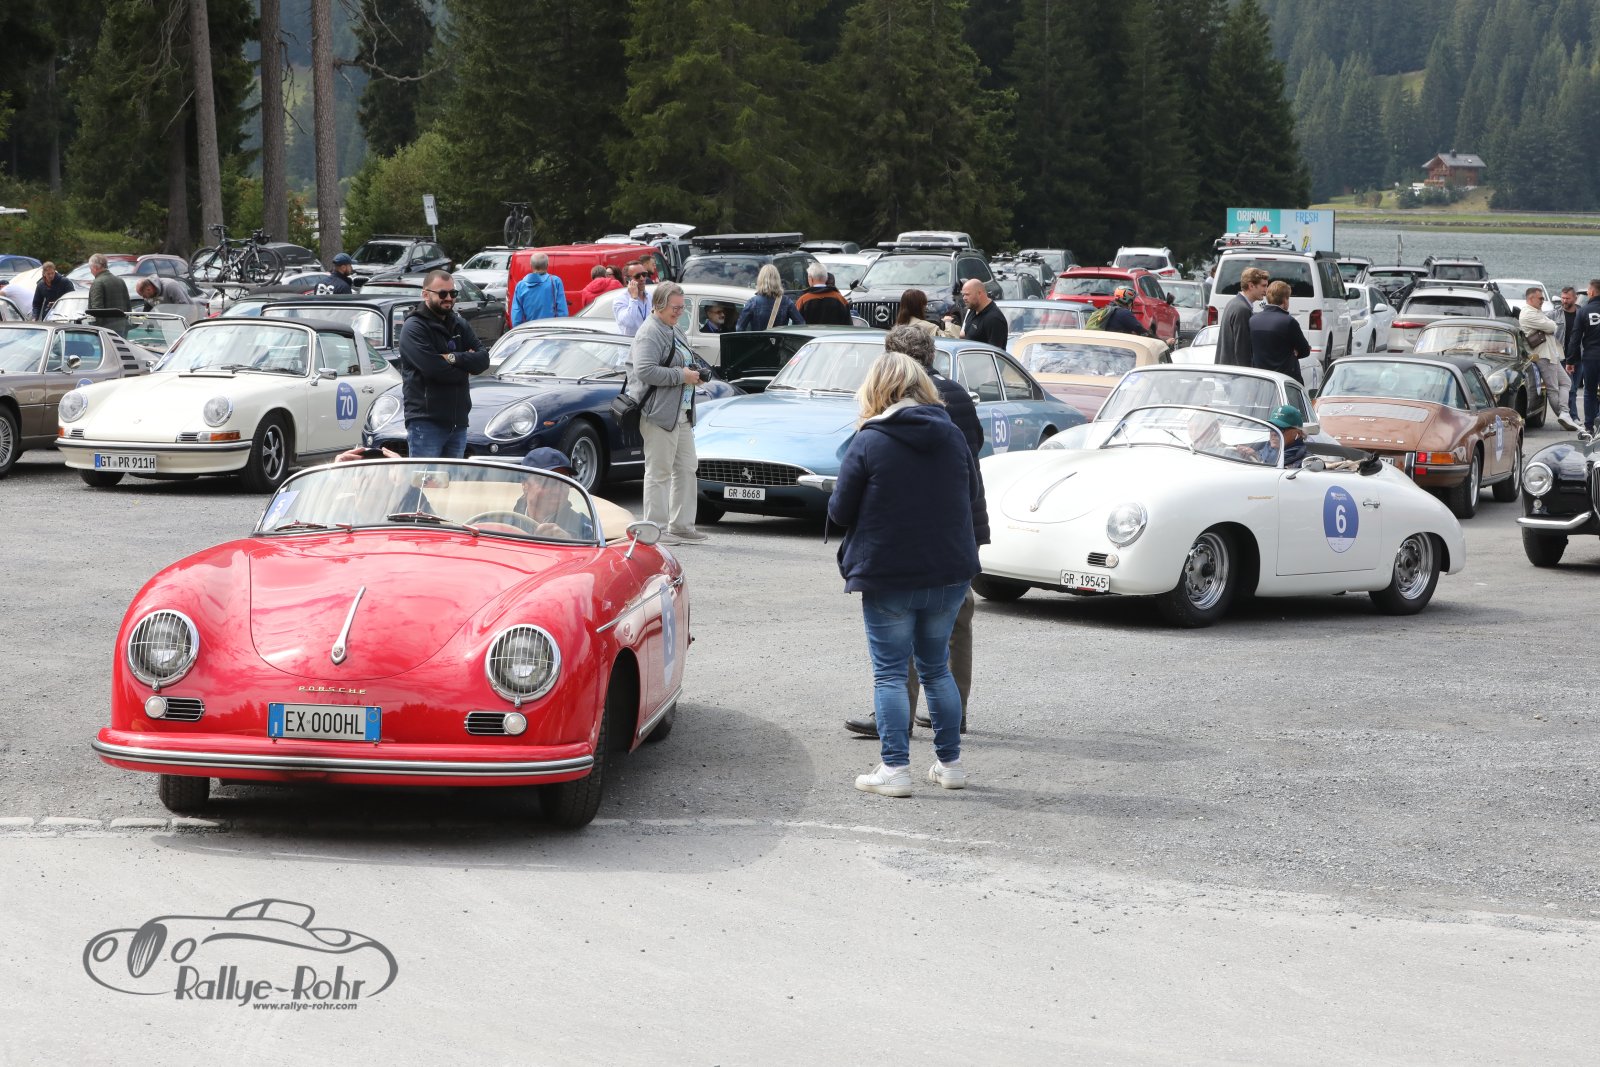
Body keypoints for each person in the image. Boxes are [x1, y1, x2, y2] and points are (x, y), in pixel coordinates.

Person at [829, 353, 986, 797]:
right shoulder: (952, 434)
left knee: (891, 674)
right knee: (936, 669)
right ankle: (950, 765)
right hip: (949, 570)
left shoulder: (869, 439)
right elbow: (972, 492)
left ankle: (895, 768)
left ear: (876, 390)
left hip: (889, 572)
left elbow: (839, 511)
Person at [629, 282, 706, 544]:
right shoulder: (650, 332)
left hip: (680, 413)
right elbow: (644, 370)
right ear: (659, 305)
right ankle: (655, 530)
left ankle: (682, 526)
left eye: (682, 308)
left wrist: (695, 374)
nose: (679, 312)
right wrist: (681, 376)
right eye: (675, 308)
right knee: (658, 472)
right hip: (659, 414)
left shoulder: (673, 328)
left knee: (687, 468)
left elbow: (683, 362)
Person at [396, 269, 490, 457]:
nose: (449, 298)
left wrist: (453, 358)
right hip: (426, 422)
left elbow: (483, 360)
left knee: (452, 477)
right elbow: (435, 370)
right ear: (425, 294)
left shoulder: (459, 323)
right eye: (442, 293)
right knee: (425, 475)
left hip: (458, 422)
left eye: (453, 293)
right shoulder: (414, 327)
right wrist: (466, 368)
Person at [1522, 288, 1580, 430]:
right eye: (1540, 298)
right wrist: (1549, 325)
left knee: (1566, 382)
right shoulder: (1528, 314)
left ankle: (1565, 414)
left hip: (1552, 354)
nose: (1542, 301)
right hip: (1543, 355)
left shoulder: (1537, 312)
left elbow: (1550, 325)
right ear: (1530, 299)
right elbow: (1552, 326)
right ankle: (1564, 415)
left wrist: (1549, 325)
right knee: (1553, 388)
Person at [513, 447, 594, 540]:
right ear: (525, 485)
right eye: (547, 482)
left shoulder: (584, 528)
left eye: (564, 481)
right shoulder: (506, 521)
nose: (557, 491)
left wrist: (570, 542)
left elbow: (596, 548)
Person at [1248, 280, 1310, 383]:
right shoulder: (1289, 322)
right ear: (1285, 300)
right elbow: (1305, 350)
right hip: (1285, 379)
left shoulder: (1253, 320)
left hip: (1261, 379)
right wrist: (1294, 352)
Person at [1218, 267, 1269, 366]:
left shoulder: (1234, 303)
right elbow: (1242, 349)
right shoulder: (1242, 309)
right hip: (1235, 372)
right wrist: (1247, 372)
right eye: (1263, 286)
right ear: (1251, 286)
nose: (1266, 290)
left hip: (1228, 370)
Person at [735, 264, 803, 331]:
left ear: (760, 280)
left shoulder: (752, 302)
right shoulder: (786, 301)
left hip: (758, 338)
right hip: (780, 338)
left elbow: (739, 328)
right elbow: (801, 324)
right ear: (778, 280)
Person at [510, 252, 568, 326]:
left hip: (529, 329)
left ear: (531, 266)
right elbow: (562, 312)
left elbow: (516, 316)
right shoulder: (555, 281)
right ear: (547, 265)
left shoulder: (520, 286)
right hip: (550, 329)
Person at [945, 278, 1006, 349]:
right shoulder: (973, 310)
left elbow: (995, 352)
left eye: (967, 294)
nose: (964, 298)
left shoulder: (994, 319)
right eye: (963, 295)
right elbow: (966, 335)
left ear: (979, 293)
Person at [1575, 279, 1600, 432]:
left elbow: (1575, 338)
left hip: (1591, 357)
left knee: (1589, 391)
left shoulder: (1584, 311)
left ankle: (1589, 426)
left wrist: (1571, 360)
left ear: (1591, 292)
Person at [85, 253, 130, 337]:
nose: (90, 271)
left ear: (95, 268)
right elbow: (128, 306)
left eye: (90, 268)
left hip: (105, 331)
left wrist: (96, 331)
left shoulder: (98, 283)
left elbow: (97, 311)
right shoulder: (120, 281)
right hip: (121, 327)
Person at [1088, 286, 1155, 338]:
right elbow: (1140, 330)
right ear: (1128, 300)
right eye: (1132, 300)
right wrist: (1155, 339)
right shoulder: (1124, 313)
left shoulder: (1106, 310)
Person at [1559, 285, 1583, 423]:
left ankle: (1569, 415)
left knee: (1576, 388)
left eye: (1567, 298)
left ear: (1575, 298)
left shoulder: (1582, 313)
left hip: (1579, 357)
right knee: (1570, 388)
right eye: (1562, 298)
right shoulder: (1555, 314)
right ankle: (1573, 416)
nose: (1564, 301)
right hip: (1562, 357)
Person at [613, 264, 651, 336]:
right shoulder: (620, 299)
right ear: (627, 279)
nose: (642, 278)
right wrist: (634, 298)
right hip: (630, 342)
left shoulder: (649, 296)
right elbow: (628, 322)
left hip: (648, 340)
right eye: (637, 276)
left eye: (644, 274)